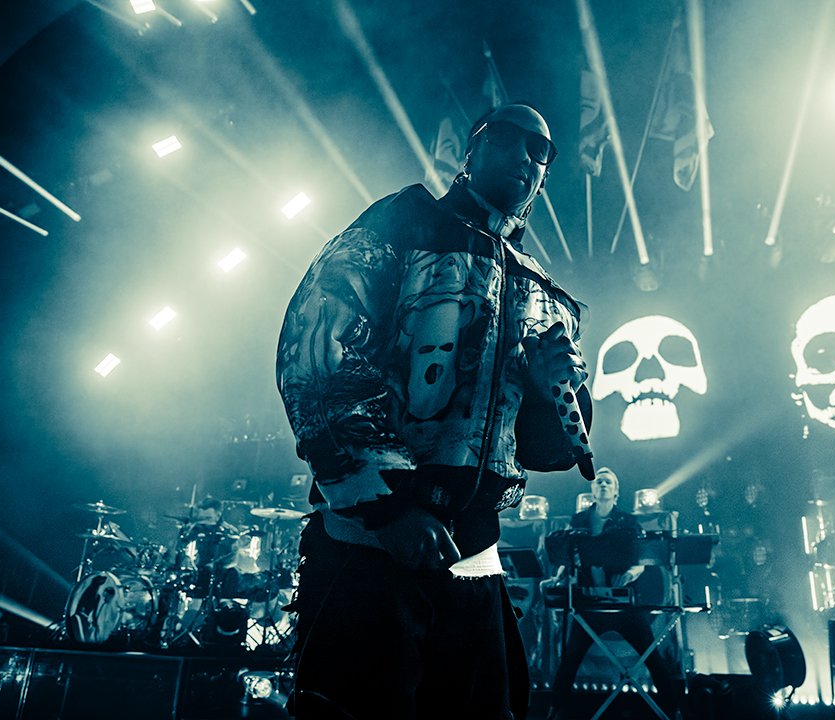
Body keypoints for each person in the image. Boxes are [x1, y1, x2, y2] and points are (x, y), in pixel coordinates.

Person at [276, 102, 591, 719]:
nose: (530, 158)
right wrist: (388, 505)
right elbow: (316, 352)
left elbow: (551, 451)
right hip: (371, 547)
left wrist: (559, 390)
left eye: (543, 153)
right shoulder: (400, 226)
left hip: (475, 555)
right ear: (470, 153)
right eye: (513, 140)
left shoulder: (540, 289)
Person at [544, 467, 682, 719]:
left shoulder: (628, 521)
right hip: (589, 604)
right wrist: (558, 576)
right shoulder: (578, 521)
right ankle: (554, 710)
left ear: (616, 491)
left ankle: (674, 710)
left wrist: (629, 574)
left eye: (608, 481)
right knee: (570, 659)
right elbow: (568, 554)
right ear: (593, 490)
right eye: (599, 482)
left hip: (623, 605)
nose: (603, 484)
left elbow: (642, 559)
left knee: (652, 656)